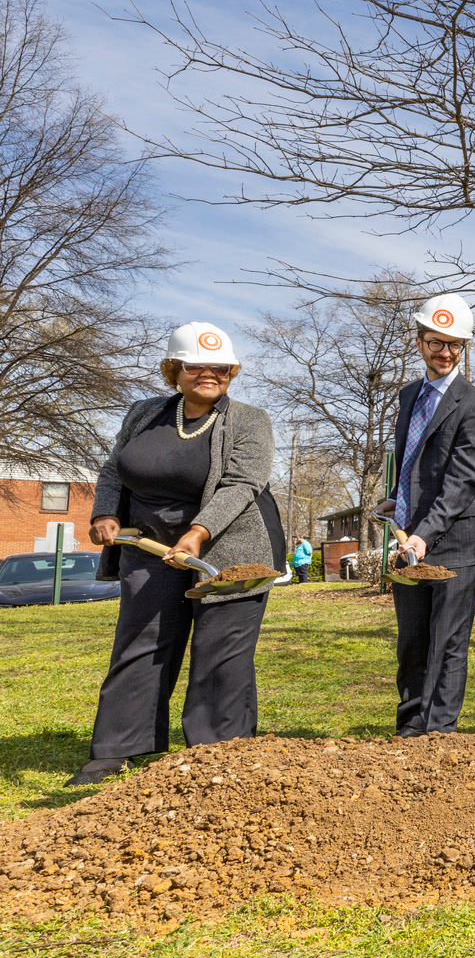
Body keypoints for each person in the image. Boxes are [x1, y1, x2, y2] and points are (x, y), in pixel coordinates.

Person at [76, 323, 285, 785]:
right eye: (196, 365)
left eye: (220, 367)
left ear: (231, 372)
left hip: (227, 547)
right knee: (141, 643)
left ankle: (216, 755)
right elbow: (114, 469)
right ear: (176, 369)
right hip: (148, 547)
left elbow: (242, 484)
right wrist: (105, 513)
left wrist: (197, 532)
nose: (209, 374)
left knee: (220, 649)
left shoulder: (250, 420)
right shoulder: (144, 414)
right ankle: (116, 750)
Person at [375, 293, 475, 737]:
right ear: (419, 341)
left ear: (463, 348)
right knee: (411, 641)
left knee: (447, 641)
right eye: (435, 342)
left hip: (456, 541)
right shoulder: (410, 395)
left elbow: (462, 481)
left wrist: (423, 533)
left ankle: (438, 733)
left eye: (454, 345)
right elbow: (412, 459)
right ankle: (409, 727)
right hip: (411, 535)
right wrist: (397, 498)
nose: (444, 353)